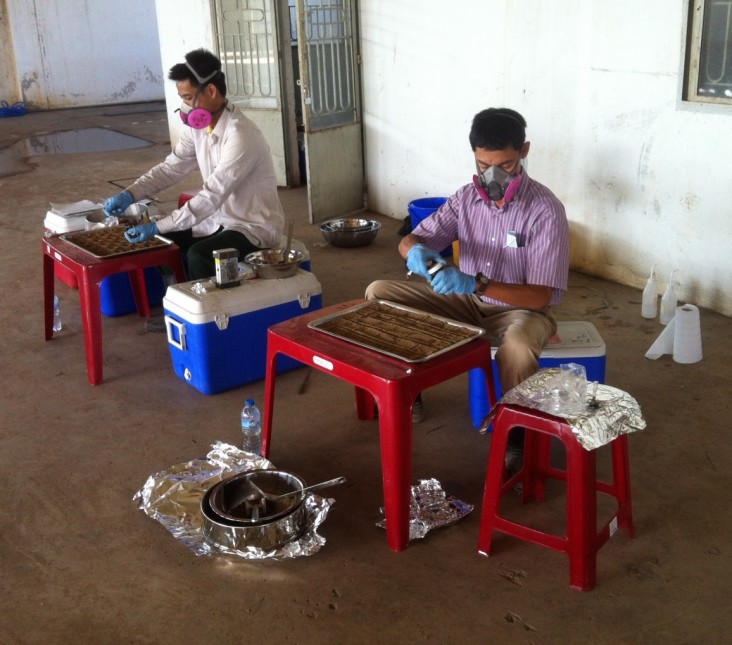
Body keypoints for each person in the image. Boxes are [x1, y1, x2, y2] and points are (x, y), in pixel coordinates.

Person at [365, 107, 570, 473]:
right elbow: (413, 238)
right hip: (467, 300)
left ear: (524, 151)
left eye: (505, 165)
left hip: (521, 311)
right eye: (482, 165)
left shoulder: (545, 211)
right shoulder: (465, 199)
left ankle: (516, 437)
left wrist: (478, 282)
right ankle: (410, 391)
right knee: (379, 293)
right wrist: (418, 255)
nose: (492, 177)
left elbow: (540, 296)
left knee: (519, 348)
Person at [104, 48, 285, 282]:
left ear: (210, 90)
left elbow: (212, 195)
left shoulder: (241, 134)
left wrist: (159, 225)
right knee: (162, 243)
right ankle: (183, 298)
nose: (185, 106)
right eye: (182, 99)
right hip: (218, 220)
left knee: (199, 256)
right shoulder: (197, 127)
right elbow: (171, 167)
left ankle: (212, 310)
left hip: (251, 227)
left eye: (188, 98)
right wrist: (130, 194)